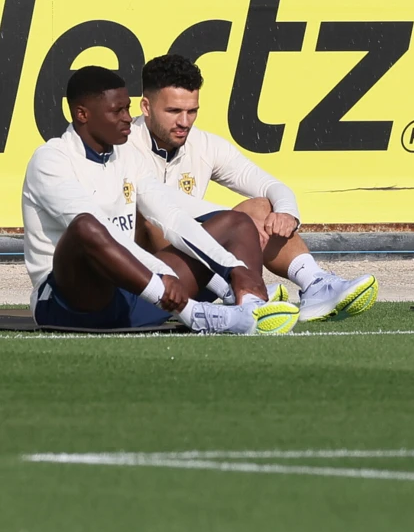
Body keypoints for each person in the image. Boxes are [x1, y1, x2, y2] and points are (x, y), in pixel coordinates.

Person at [22, 66, 301, 335]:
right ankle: (194, 313)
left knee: (236, 223)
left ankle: (247, 306)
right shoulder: (51, 160)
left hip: (136, 293)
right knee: (86, 226)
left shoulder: (126, 155)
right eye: (116, 111)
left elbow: (171, 218)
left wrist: (231, 267)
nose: (127, 118)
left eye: (127, 109)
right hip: (72, 303)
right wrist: (159, 278)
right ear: (82, 114)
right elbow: (95, 231)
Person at [128, 54, 378, 323]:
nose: (185, 122)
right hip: (145, 283)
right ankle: (235, 292)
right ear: (146, 106)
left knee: (261, 207)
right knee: (153, 218)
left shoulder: (204, 144)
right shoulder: (123, 144)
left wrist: (287, 213)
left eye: (192, 111)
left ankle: (314, 283)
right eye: (174, 111)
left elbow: (271, 185)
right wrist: (237, 224)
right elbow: (158, 202)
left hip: (198, 274)